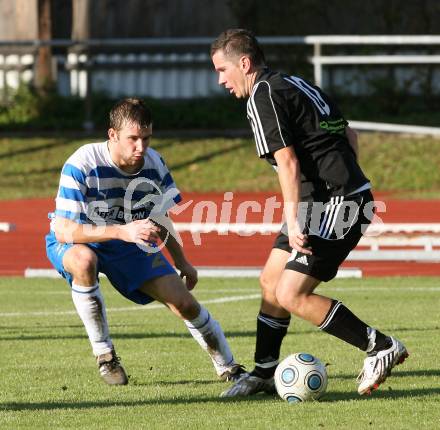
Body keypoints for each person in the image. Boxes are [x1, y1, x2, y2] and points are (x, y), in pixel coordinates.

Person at [211, 29, 408, 397]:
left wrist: (297, 215)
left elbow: (287, 162)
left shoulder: (262, 95)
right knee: (271, 280)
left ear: (244, 63)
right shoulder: (293, 83)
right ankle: (264, 373)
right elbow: (350, 137)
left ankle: (380, 346)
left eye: (222, 70)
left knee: (291, 293)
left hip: (332, 202)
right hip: (330, 198)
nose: (220, 80)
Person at [45, 97, 244, 386]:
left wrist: (182, 261)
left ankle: (230, 368)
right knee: (83, 260)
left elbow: (161, 218)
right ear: (112, 135)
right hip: (80, 238)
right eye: (133, 139)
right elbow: (64, 229)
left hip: (128, 242)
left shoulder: (154, 164)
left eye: (147, 138)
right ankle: (105, 355)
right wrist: (121, 231)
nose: (141, 147)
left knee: (183, 303)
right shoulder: (82, 162)